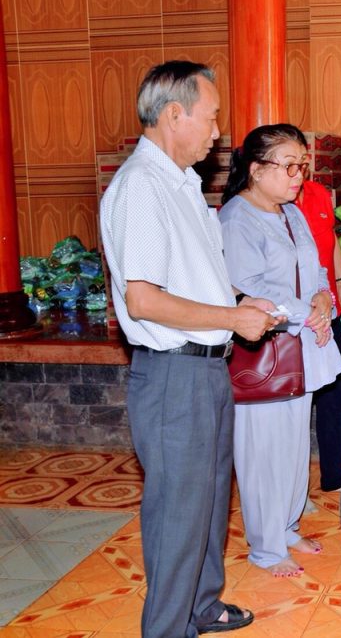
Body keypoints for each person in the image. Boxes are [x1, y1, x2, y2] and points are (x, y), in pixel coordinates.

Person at [100, 60, 278, 636]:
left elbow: (198, 278)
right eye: (211, 116)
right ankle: (168, 627)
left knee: (206, 500)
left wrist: (244, 303)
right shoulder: (142, 187)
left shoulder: (181, 184)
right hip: (174, 375)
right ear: (174, 115)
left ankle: (202, 606)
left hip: (204, 370)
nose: (217, 130)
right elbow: (145, 300)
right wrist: (231, 316)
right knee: (178, 513)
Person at [219, 124, 341, 576]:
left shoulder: (288, 211)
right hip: (266, 353)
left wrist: (324, 298)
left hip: (302, 346)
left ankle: (287, 525)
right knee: (261, 454)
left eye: (302, 165)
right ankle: (267, 548)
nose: (298, 175)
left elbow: (314, 266)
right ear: (256, 170)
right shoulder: (236, 219)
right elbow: (245, 291)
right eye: (289, 166)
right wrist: (303, 312)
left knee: (293, 446)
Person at [295, 178, 341, 492]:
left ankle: (334, 478)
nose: (300, 169)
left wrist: (339, 279)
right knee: (296, 405)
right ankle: (295, 492)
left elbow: (331, 239)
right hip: (297, 317)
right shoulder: (274, 200)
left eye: (303, 160)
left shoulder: (317, 192)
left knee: (334, 396)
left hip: (328, 309)